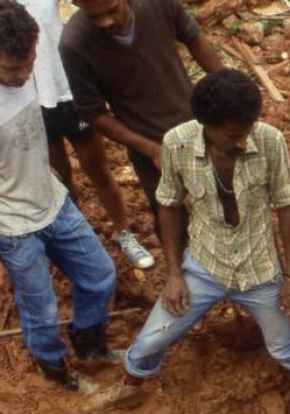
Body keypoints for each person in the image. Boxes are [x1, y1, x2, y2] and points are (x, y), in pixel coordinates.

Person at [91, 71, 290, 414]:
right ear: (207, 126)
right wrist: (174, 274)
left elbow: (287, 206)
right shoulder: (177, 145)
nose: (243, 139)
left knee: (285, 347)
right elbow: (168, 206)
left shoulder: (270, 141)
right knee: (151, 339)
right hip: (205, 265)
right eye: (232, 134)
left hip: (259, 267)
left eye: (247, 129)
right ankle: (130, 385)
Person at [0, 0, 122, 392]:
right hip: (10, 226)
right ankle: (54, 370)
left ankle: (90, 347)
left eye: (29, 63)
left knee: (100, 276)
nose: (25, 75)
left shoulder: (26, 63)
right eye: (13, 69)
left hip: (51, 200)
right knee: (40, 308)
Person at [0, 0, 156, 269]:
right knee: (58, 176)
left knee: (98, 170)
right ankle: (75, 242)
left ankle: (123, 232)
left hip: (69, 88)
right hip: (28, 101)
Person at [60, 0, 224, 242]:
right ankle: (179, 271)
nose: (105, 22)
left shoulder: (158, 5)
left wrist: (227, 88)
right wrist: (152, 150)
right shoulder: (75, 44)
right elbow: (94, 114)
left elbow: (196, 41)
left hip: (198, 124)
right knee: (170, 214)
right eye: (94, 17)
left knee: (221, 198)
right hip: (147, 144)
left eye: (111, 10)